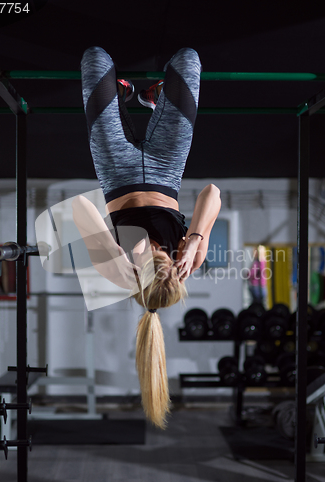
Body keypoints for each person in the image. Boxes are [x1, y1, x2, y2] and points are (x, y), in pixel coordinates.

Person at [73, 46, 221, 429]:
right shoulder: (189, 259)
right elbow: (212, 192)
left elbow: (78, 209)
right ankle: (153, 100)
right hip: (166, 168)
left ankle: (123, 99)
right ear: (173, 267)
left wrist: (112, 252)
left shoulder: (115, 272)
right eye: (165, 258)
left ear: (138, 276)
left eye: (149, 260)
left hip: (115, 169)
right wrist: (195, 237)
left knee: (96, 58)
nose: (156, 251)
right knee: (189, 58)